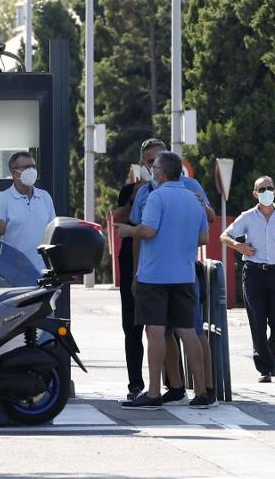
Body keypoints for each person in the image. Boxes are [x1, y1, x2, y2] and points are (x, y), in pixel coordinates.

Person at [119, 150, 211, 410]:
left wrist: (128, 230)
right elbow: (203, 238)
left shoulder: (157, 197)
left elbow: (148, 230)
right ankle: (202, 392)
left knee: (155, 331)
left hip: (155, 275)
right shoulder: (195, 200)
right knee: (187, 331)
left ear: (161, 172)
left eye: (155, 167)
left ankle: (154, 392)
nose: (152, 171)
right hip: (184, 273)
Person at [222, 175, 275, 382]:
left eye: (270, 187)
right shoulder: (248, 217)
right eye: (262, 189)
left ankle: (269, 352)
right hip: (254, 273)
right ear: (255, 194)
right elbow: (224, 236)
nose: (266, 191)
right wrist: (238, 246)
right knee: (257, 320)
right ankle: (266, 367)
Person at [111, 139, 163, 401]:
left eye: (159, 160)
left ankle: (168, 382)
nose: (154, 166)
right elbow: (118, 218)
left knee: (163, 327)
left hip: (162, 262)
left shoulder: (177, 190)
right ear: (142, 164)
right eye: (149, 161)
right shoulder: (131, 190)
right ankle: (135, 384)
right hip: (131, 260)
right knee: (132, 325)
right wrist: (134, 196)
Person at [0, 151, 57, 277]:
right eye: (26, 167)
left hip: (43, 273)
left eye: (33, 167)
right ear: (14, 173)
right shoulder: (3, 199)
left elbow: (53, 232)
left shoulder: (45, 197)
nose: (31, 170)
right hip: (14, 273)